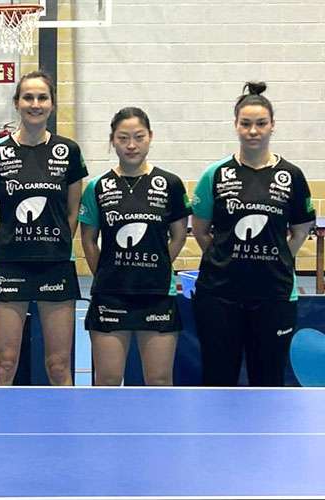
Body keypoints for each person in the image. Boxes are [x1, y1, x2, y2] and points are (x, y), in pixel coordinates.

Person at [191, 81, 316, 386]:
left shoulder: (292, 176)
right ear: (236, 126)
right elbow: (200, 230)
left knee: (268, 380)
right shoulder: (216, 174)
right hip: (220, 295)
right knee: (218, 379)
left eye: (261, 124)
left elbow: (300, 230)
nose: (253, 131)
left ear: (272, 126)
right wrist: (226, 258)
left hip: (273, 295)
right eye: (245, 124)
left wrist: (279, 257)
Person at [0, 70, 87, 386]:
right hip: (11, 266)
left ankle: (65, 431)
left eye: (42, 97)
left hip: (56, 266)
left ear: (52, 104)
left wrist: (55, 247)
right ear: (17, 103)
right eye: (28, 97)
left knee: (58, 365)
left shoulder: (69, 151)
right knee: (5, 363)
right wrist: (10, 250)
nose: (35, 104)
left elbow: (72, 210)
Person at [79, 107, 190, 386]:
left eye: (139, 137)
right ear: (112, 140)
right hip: (111, 295)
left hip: (156, 294)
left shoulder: (171, 184)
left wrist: (160, 265)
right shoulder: (97, 187)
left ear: (150, 137)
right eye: (123, 138)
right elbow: (89, 239)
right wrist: (106, 273)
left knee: (159, 380)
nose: (131, 145)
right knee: (108, 379)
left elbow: (178, 235)